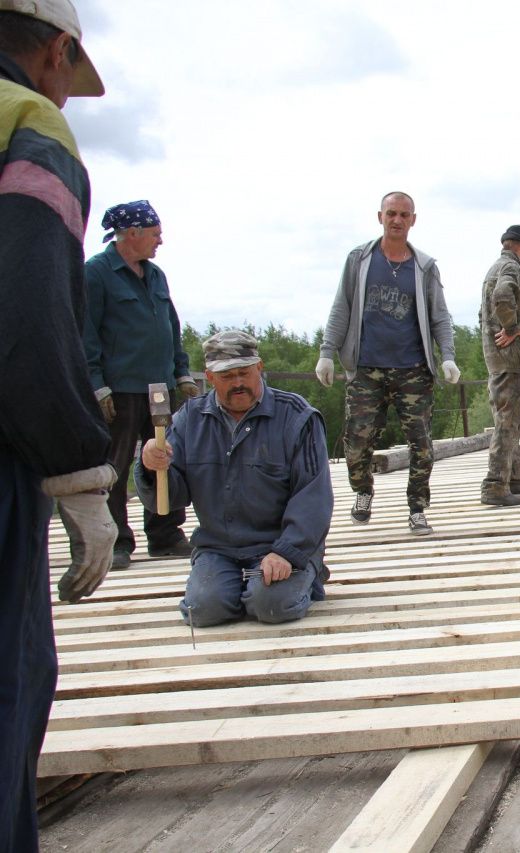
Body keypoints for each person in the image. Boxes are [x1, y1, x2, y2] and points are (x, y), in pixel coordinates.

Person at [0, 0, 112, 845]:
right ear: (57, 52)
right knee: (12, 678)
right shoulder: (26, 124)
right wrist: (78, 472)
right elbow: (32, 320)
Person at [138, 331, 333, 627]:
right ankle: (240, 587)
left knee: (272, 606)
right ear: (210, 377)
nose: (238, 383)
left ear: (260, 368)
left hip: (279, 543)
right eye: (228, 376)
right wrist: (152, 468)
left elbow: (314, 496)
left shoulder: (296, 416)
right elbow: (169, 499)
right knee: (203, 610)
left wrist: (287, 552)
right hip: (219, 546)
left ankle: (306, 569)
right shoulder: (188, 419)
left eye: (245, 373)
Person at [316, 191, 460, 535]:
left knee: (421, 443)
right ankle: (363, 491)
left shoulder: (424, 267)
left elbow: (440, 315)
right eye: (391, 213)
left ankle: (417, 508)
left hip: (413, 369)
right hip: (366, 368)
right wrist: (326, 352)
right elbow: (342, 307)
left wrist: (448, 357)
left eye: (404, 215)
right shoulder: (359, 260)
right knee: (356, 439)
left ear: (413, 220)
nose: (397, 220)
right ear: (380, 217)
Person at [83, 200, 197, 569]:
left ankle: (165, 534)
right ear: (131, 234)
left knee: (166, 458)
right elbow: (85, 335)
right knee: (113, 467)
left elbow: (171, 327)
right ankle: (116, 541)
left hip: (159, 386)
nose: (160, 240)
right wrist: (97, 385)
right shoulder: (96, 274)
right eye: (155, 233)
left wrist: (181, 371)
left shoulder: (156, 275)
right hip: (119, 387)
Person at [479, 224, 520, 506]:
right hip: (511, 357)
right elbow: (503, 297)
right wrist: (514, 328)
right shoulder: (512, 269)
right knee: (507, 421)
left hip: (497, 357)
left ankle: (514, 481)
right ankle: (495, 485)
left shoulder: (494, 268)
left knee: (510, 419)